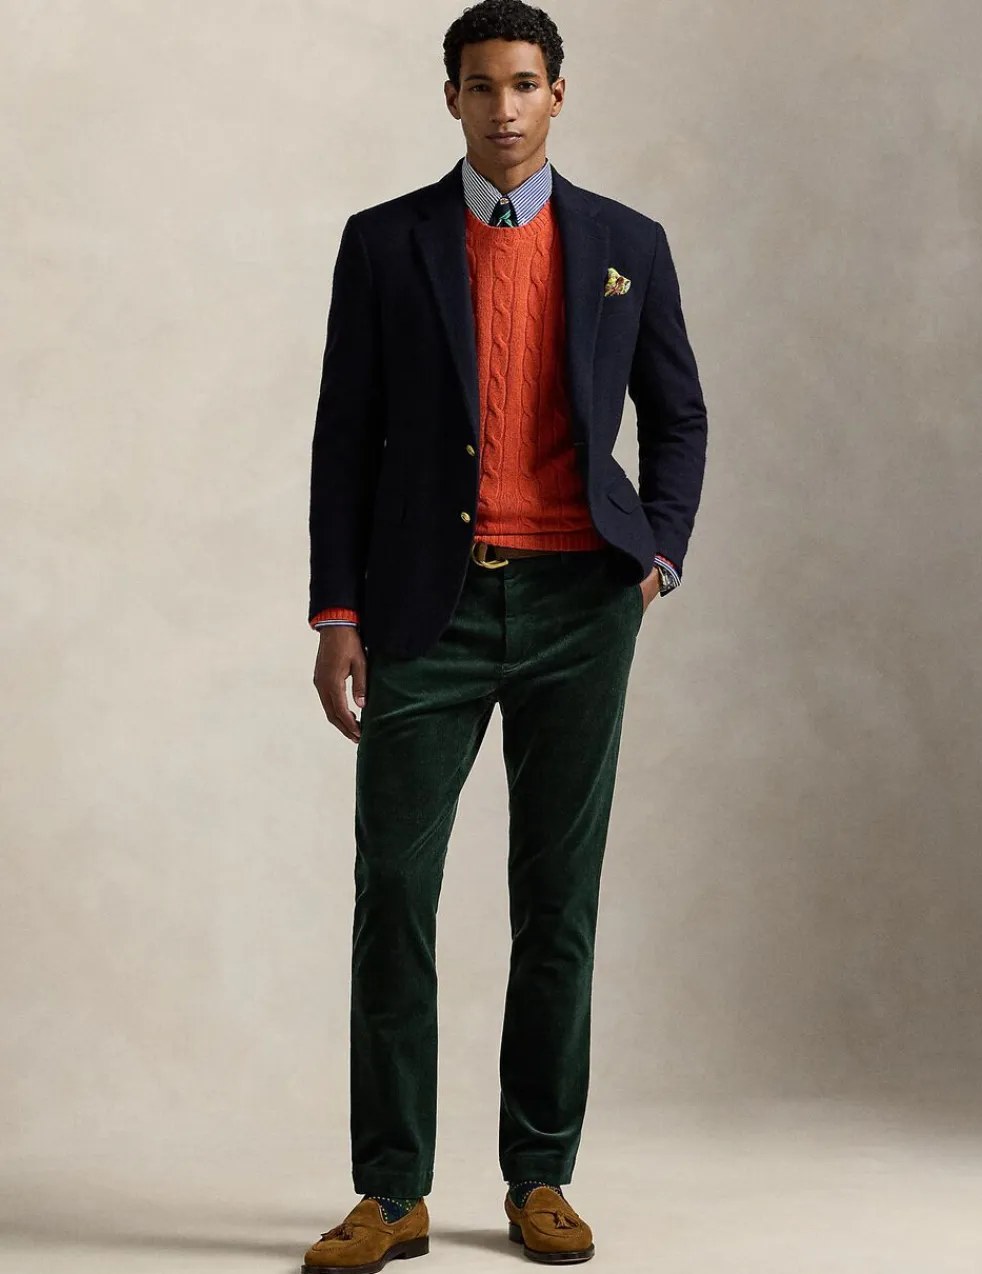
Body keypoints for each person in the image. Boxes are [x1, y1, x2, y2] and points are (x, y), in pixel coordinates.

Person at [302, 2, 707, 1269]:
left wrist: (657, 555)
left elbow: (679, 416)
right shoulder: (385, 242)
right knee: (394, 892)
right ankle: (391, 1190)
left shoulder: (627, 244)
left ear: (557, 95)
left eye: (524, 83)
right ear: (451, 99)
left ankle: (540, 1173)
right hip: (423, 608)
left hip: (581, 607)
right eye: (480, 85)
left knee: (557, 898)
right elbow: (342, 437)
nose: (503, 108)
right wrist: (337, 612)